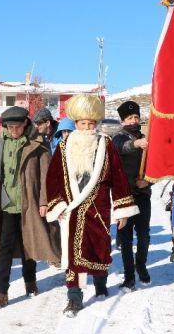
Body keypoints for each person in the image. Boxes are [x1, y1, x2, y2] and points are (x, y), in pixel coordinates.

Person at [45, 94, 138, 317]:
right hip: (72, 208)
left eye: (91, 123)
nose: (87, 127)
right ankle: (74, 298)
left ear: (96, 124)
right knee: (73, 254)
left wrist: (122, 207)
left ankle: (100, 285)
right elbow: (54, 177)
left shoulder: (105, 143)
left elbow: (118, 176)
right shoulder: (65, 145)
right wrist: (57, 205)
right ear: (76, 124)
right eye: (83, 123)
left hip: (99, 206)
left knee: (99, 248)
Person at [0, 106, 61, 309]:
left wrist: (44, 201)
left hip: (30, 202)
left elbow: (46, 175)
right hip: (5, 203)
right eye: (9, 126)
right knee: (3, 246)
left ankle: (30, 281)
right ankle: (1, 291)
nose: (13, 130)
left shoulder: (38, 143)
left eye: (17, 126)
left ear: (26, 123)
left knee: (29, 244)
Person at [112, 100, 152, 290]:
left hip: (142, 193)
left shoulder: (147, 140)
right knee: (125, 238)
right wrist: (138, 143)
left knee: (143, 235)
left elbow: (155, 168)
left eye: (136, 117)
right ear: (122, 121)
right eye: (129, 118)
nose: (133, 120)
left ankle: (141, 266)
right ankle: (129, 276)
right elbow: (123, 147)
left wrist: (148, 182)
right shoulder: (117, 138)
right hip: (123, 196)